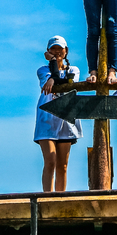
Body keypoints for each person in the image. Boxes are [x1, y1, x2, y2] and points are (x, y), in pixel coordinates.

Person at [34, 35, 83, 192]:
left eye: (59, 49)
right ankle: (47, 197)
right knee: (50, 161)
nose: (56, 52)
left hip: (66, 119)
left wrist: (54, 80)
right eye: (53, 49)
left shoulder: (73, 70)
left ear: (66, 51)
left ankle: (60, 197)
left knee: (62, 164)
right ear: (48, 51)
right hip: (47, 118)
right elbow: (51, 84)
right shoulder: (42, 70)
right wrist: (53, 65)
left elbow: (66, 85)